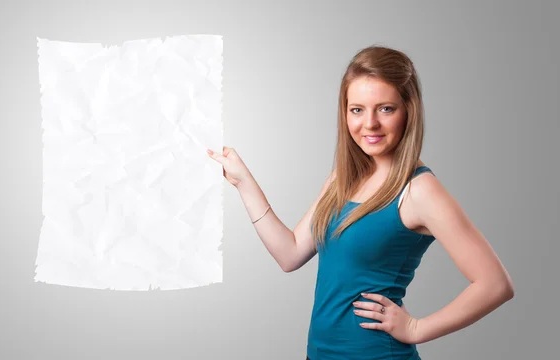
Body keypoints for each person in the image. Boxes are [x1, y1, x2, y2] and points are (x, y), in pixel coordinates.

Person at [206, 45, 514, 360]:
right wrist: (244, 183)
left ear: (408, 110)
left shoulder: (419, 190)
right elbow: (289, 253)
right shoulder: (343, 176)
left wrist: (417, 328)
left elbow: (495, 284)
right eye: (357, 109)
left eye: (385, 108)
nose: (369, 124)